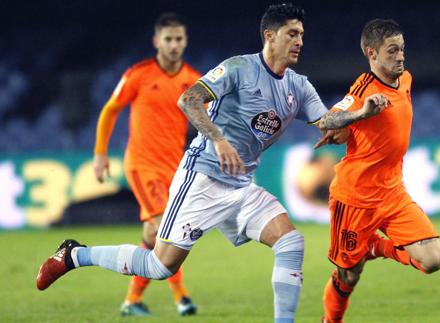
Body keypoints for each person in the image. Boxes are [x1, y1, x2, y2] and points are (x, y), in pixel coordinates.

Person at [36, 3, 350, 322]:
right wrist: (218, 139)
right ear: (270, 36)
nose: (299, 41)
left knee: (291, 243)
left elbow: (327, 121)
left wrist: (362, 113)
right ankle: (75, 255)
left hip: (241, 186)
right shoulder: (239, 67)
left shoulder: (298, 85)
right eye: (292, 34)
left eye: (301, 35)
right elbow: (188, 100)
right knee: (160, 265)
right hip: (203, 178)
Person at [315, 19, 440, 322]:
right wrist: (360, 114)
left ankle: (373, 246)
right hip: (355, 199)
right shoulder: (363, 88)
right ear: (372, 54)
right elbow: (325, 121)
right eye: (392, 51)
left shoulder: (406, 79)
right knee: (348, 275)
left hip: (393, 193)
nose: (400, 57)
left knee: (432, 260)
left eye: (402, 49)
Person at [91, 13, 200, 316]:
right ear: (156, 41)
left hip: (174, 169)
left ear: (186, 40)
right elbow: (111, 109)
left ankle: (132, 301)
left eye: (179, 39)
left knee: (153, 237)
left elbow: (213, 120)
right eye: (168, 39)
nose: (174, 45)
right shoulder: (138, 75)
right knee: (167, 230)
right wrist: (100, 154)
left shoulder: (193, 81)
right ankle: (182, 298)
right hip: (142, 165)